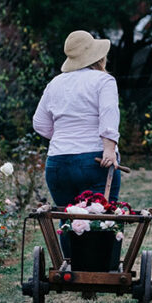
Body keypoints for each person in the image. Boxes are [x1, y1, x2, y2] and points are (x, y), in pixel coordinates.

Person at [33, 30, 121, 264]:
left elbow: (40, 124)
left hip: (58, 163)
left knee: (68, 216)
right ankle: (99, 267)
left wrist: (64, 137)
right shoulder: (104, 81)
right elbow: (109, 115)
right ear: (97, 57)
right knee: (103, 215)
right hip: (94, 160)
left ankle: (71, 266)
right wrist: (109, 150)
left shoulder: (55, 83)